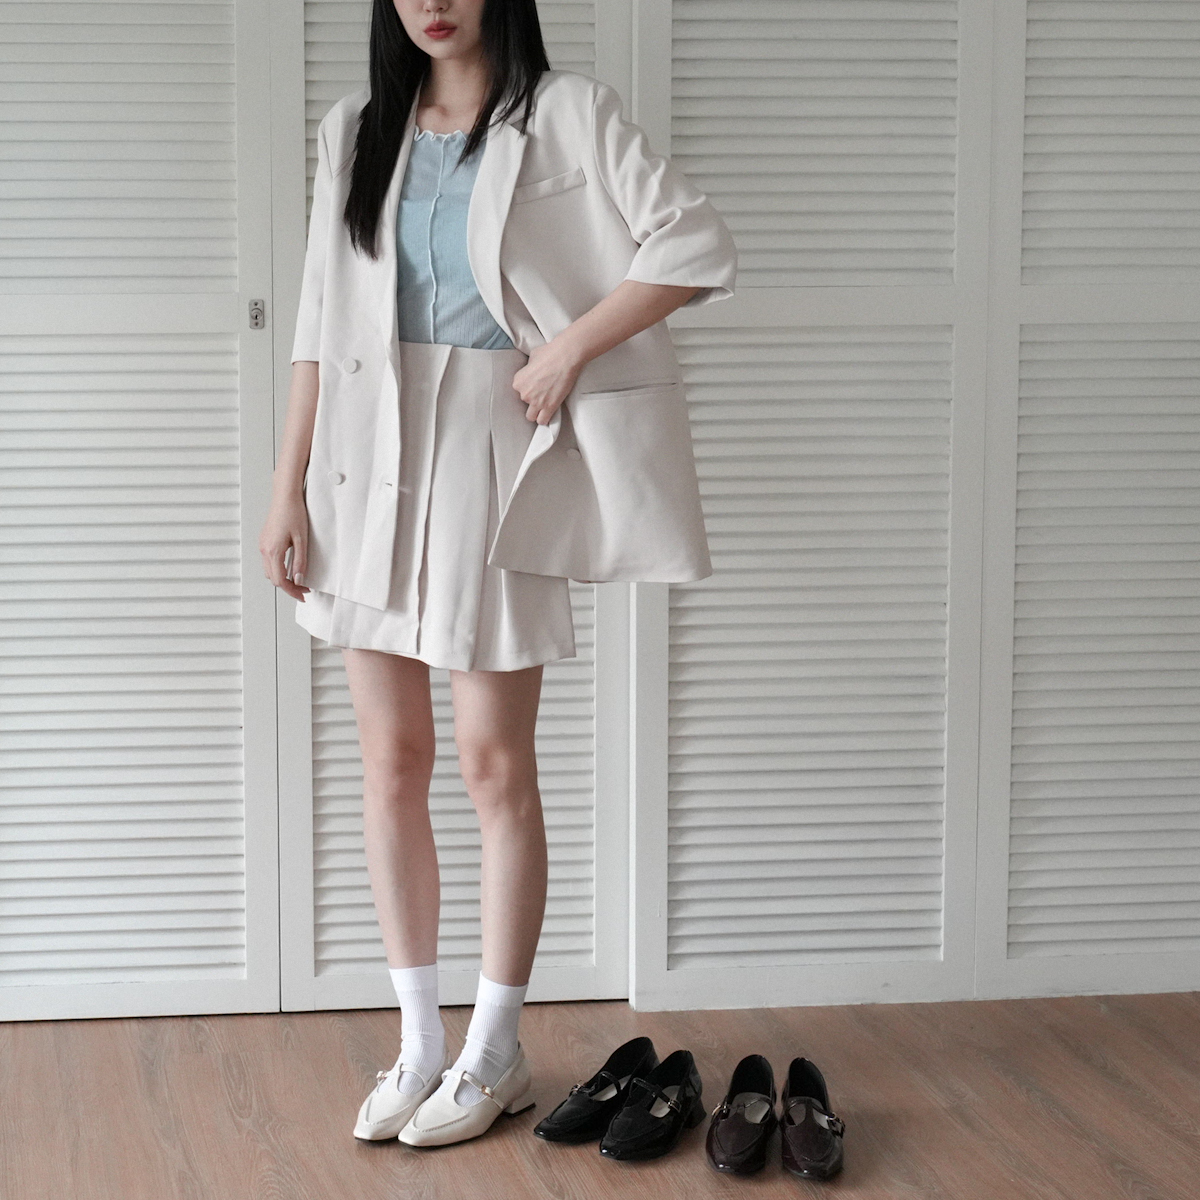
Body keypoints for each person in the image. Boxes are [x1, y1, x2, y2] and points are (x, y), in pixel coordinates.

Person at [258, 0, 736, 1149]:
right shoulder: (353, 130)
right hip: (361, 459)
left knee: (491, 762)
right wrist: (286, 488)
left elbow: (692, 242)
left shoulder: (569, 114)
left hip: (490, 450)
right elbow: (319, 320)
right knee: (390, 761)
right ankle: (421, 1042)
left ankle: (495, 1048)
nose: (433, 1)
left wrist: (568, 350)